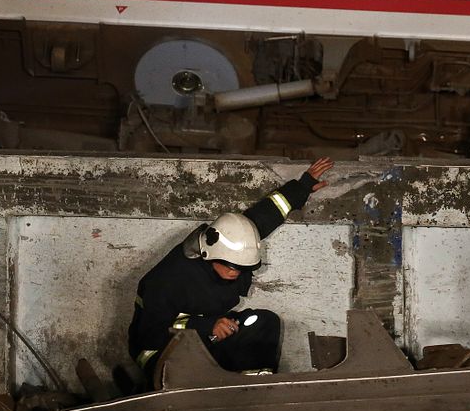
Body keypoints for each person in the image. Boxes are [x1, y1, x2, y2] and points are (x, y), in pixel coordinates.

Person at [127, 157, 334, 379]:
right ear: (209, 254)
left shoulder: (231, 237)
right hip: (160, 352)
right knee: (190, 369)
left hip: (209, 335)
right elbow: (150, 334)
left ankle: (253, 387)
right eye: (230, 266)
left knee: (263, 323)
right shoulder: (167, 280)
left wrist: (303, 186)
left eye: (242, 268)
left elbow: (267, 213)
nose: (235, 272)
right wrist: (206, 327)